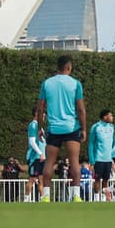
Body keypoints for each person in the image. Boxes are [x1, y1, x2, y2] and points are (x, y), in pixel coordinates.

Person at [38, 55, 87, 203]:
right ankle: (76, 195)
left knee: (49, 162)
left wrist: (40, 127)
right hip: (71, 127)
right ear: (68, 67)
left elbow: (40, 109)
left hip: (53, 128)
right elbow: (81, 109)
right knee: (74, 162)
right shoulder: (75, 83)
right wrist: (84, 129)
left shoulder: (46, 83)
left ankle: (46, 195)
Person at [88, 109, 115, 201]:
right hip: (98, 159)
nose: (112, 117)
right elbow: (91, 144)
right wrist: (92, 160)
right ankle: (96, 199)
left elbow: (114, 144)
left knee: (106, 180)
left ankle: (104, 199)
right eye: (110, 115)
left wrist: (114, 159)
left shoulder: (112, 127)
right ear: (105, 117)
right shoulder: (95, 127)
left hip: (108, 159)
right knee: (97, 180)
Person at [26, 107, 46, 201]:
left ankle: (42, 199)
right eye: (43, 113)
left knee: (41, 179)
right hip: (34, 158)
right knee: (32, 179)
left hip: (41, 157)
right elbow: (32, 142)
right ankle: (26, 199)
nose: (44, 115)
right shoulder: (33, 125)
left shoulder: (40, 127)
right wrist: (40, 153)